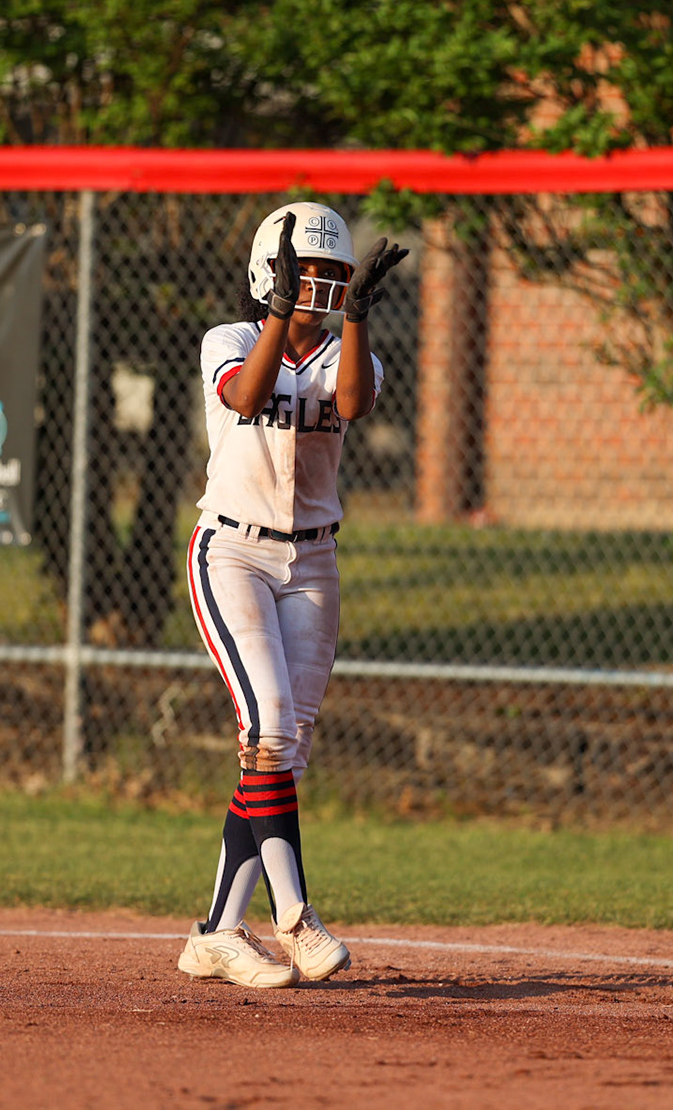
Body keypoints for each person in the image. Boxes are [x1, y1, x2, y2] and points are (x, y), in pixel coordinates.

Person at [174, 202, 407, 989]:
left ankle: (215, 931)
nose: (322, 288)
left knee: (284, 751)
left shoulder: (352, 353)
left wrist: (361, 321)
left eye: (335, 277)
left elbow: (350, 405)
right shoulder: (230, 339)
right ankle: (297, 918)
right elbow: (246, 397)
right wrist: (278, 311)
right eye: (307, 274)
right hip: (232, 551)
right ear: (268, 277)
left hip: (313, 563)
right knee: (268, 727)